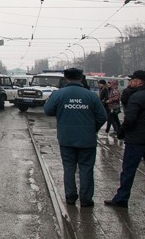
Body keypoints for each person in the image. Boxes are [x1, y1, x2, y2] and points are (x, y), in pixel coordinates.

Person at [44, 68, 107, 207]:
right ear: (81, 78)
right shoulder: (91, 96)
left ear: (65, 78)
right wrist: (92, 129)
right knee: (86, 168)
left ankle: (70, 197)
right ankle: (86, 199)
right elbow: (102, 116)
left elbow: (48, 111)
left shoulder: (58, 94)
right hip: (87, 138)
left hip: (66, 138)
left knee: (68, 167)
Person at [105, 69, 145, 209]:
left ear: (139, 82)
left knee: (128, 170)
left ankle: (121, 198)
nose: (130, 82)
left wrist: (121, 131)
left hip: (136, 139)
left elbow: (130, 119)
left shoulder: (136, 97)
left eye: (132, 80)